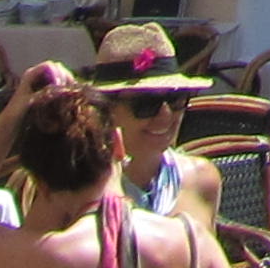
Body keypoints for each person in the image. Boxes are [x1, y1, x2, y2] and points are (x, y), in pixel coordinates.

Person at [0, 68, 223, 268]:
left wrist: (13, 113)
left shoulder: (44, 255)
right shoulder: (191, 242)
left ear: (41, 183)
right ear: (118, 146)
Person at [81, 25, 219, 226]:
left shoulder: (202, 179)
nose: (166, 114)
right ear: (106, 110)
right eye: (146, 104)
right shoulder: (78, 187)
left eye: (175, 99)